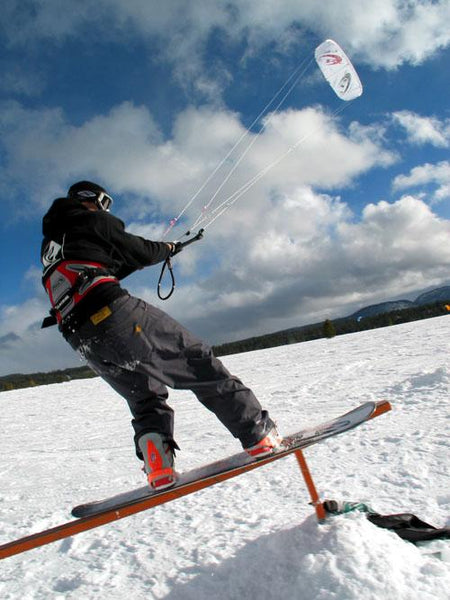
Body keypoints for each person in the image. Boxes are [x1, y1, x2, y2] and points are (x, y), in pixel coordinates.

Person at [41, 181, 281, 490]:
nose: (107, 209)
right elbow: (137, 250)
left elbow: (114, 262)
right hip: (112, 313)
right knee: (197, 360)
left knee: (144, 395)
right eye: (104, 202)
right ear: (89, 199)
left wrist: (154, 254)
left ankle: (158, 466)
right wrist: (167, 249)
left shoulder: (52, 242)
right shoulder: (91, 219)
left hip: (79, 335)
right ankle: (258, 434)